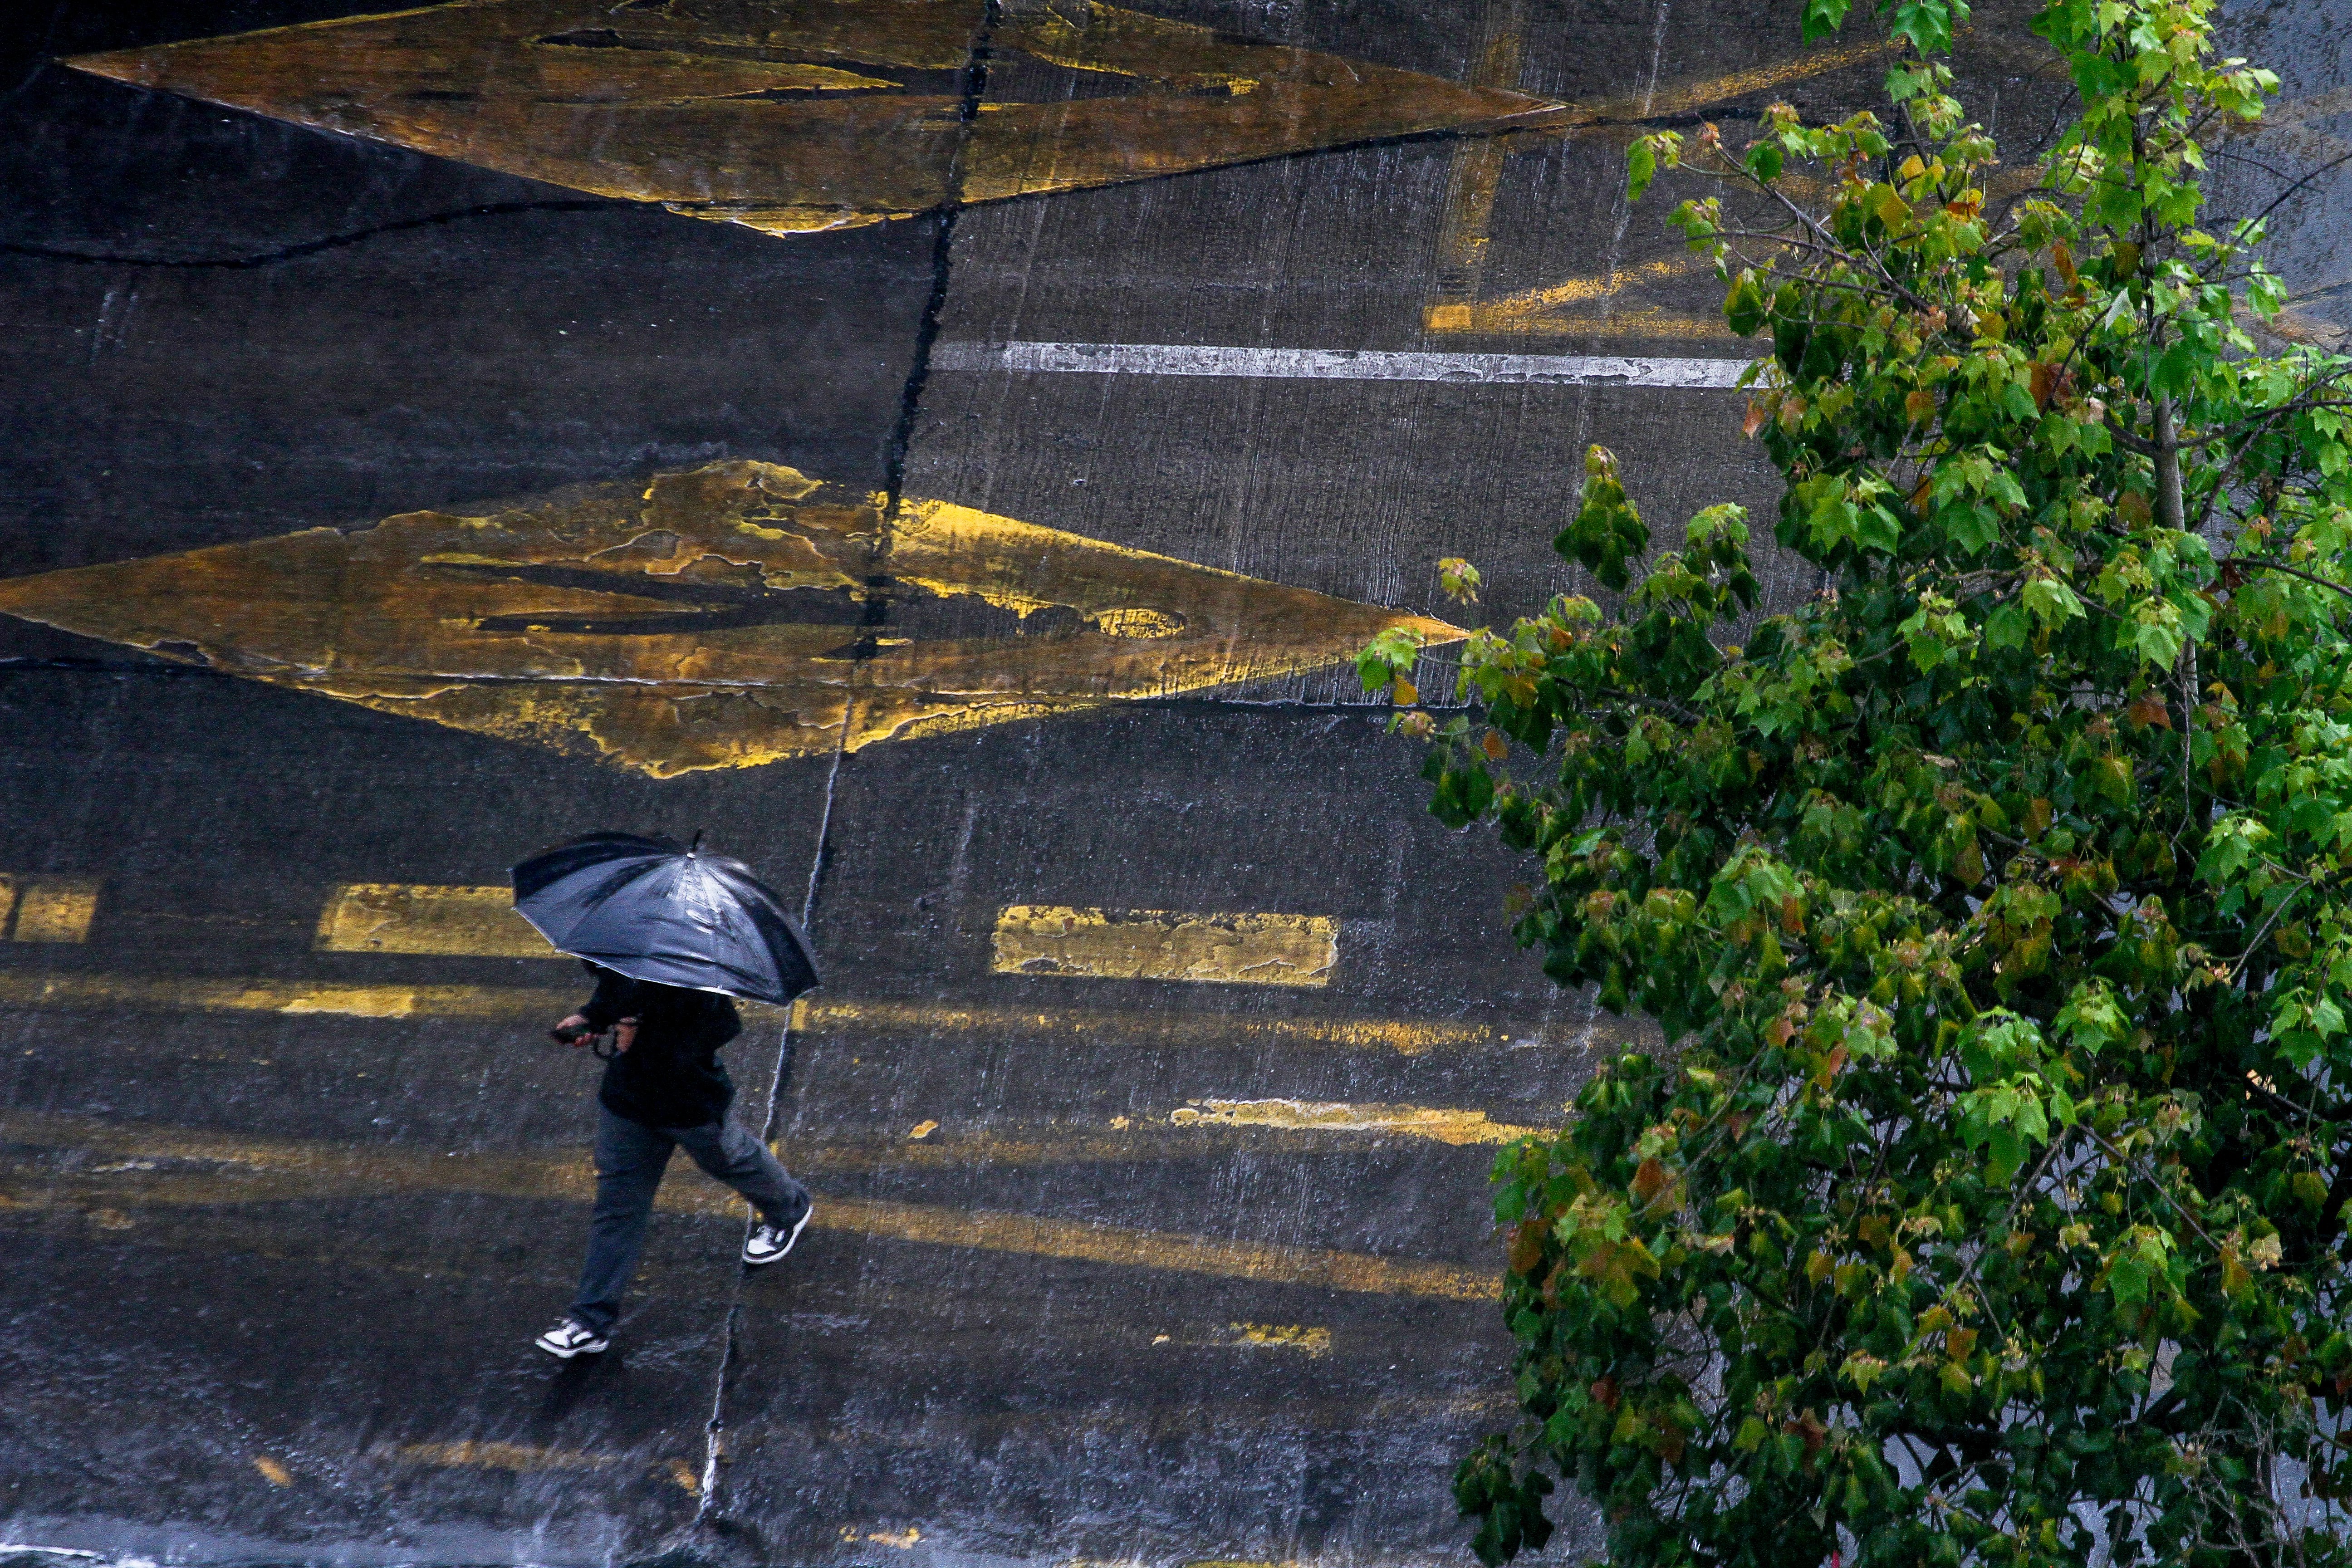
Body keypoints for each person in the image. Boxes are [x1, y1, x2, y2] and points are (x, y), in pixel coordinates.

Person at [534, 960, 814, 1359]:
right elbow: (616, 989)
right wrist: (593, 1017)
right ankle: (589, 1321)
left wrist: (645, 1037)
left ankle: (790, 1209)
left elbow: (720, 1028)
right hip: (627, 1103)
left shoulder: (696, 965)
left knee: (730, 1160)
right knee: (617, 1208)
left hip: (688, 1103)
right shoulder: (629, 944)